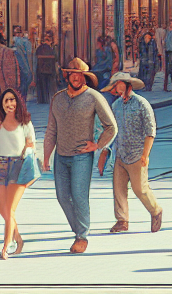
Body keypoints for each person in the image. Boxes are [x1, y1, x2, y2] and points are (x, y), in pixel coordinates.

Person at [42, 57, 117, 253]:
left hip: (82, 156)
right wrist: (46, 156)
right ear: (67, 76)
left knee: (79, 195)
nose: (76, 78)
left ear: (85, 78)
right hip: (61, 155)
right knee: (62, 196)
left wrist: (97, 145)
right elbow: (51, 129)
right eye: (73, 74)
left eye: (80, 75)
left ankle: (81, 236)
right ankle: (79, 229)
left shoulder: (94, 97)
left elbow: (111, 127)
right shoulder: (58, 98)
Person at [98, 72, 162, 235]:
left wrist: (145, 155)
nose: (115, 90)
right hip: (120, 153)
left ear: (127, 85)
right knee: (118, 188)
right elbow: (111, 130)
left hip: (137, 154)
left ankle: (156, 211)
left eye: (117, 85)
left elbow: (150, 130)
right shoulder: (116, 106)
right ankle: (122, 220)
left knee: (140, 188)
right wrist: (105, 150)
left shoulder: (142, 103)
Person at [0, 87, 39, 258]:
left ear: (18, 102)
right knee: (4, 211)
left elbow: (32, 147)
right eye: (6, 100)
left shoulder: (25, 124)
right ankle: (18, 238)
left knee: (10, 210)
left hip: (18, 168)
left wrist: (29, 148)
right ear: (1, 104)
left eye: (12, 100)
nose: (9, 103)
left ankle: (5, 247)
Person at [12, 27, 33, 103]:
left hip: (17, 67)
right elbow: (29, 56)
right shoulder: (25, 43)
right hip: (23, 67)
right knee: (24, 86)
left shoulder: (15, 43)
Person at [35, 33, 57, 105]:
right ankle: (47, 100)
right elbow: (55, 58)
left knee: (41, 85)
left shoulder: (40, 48)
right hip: (49, 70)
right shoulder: (51, 49)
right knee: (48, 85)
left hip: (41, 70)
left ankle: (41, 100)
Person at [138, 27, 159, 92]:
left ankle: (149, 87)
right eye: (145, 38)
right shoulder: (142, 43)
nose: (146, 39)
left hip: (151, 61)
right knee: (144, 74)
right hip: (144, 61)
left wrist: (156, 62)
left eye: (148, 38)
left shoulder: (153, 43)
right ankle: (145, 86)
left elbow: (155, 53)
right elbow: (141, 52)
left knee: (150, 74)